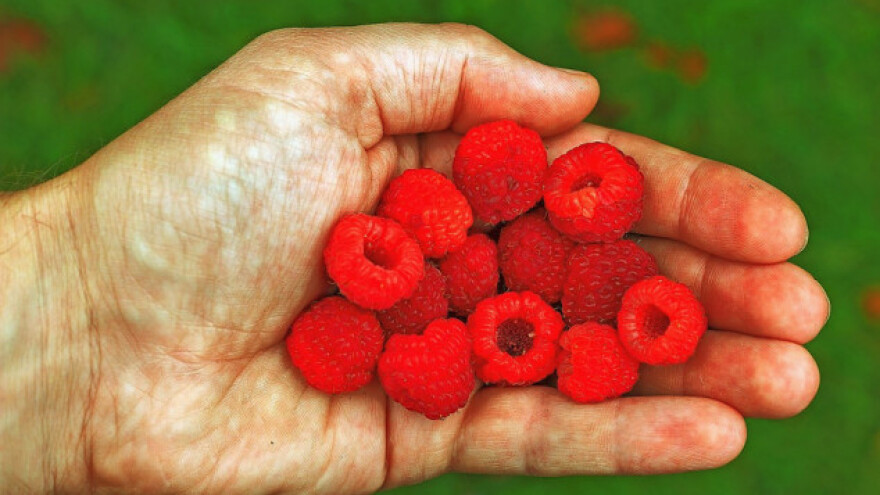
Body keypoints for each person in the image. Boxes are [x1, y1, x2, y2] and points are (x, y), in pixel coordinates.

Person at [0, 23, 828, 494]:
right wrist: (78, 278)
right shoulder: (430, 275)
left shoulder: (536, 267)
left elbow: (498, 277)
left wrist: (72, 291)